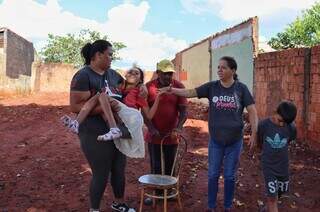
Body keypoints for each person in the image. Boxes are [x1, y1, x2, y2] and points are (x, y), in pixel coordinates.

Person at [159, 56, 258, 211]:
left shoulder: (241, 89)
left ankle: (227, 206)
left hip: (234, 141)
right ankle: (211, 207)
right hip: (216, 141)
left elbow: (252, 111)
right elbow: (190, 92)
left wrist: (254, 133)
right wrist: (171, 90)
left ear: (233, 70)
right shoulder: (212, 87)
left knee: (230, 176)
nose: (219, 70)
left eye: (223, 67)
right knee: (212, 175)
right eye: (218, 67)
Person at [69, 39, 135, 212]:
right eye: (110, 54)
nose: (112, 58)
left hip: (117, 129)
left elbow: (126, 89)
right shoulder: (83, 76)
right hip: (94, 132)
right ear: (98, 55)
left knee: (119, 168)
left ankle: (119, 203)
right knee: (101, 172)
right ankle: (94, 209)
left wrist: (139, 89)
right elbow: (75, 106)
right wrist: (102, 109)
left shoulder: (113, 74)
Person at [62, 67, 164, 158]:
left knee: (102, 96)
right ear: (125, 75)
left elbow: (149, 115)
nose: (132, 74)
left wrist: (157, 97)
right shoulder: (119, 89)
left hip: (128, 120)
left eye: (136, 73)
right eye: (130, 72)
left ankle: (112, 128)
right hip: (117, 116)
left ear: (140, 79)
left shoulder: (139, 93)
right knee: (99, 96)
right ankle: (76, 123)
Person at [143, 59, 188, 204]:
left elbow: (184, 112)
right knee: (156, 165)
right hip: (154, 134)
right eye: (165, 74)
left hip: (171, 135)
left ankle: (169, 192)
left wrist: (178, 128)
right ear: (158, 73)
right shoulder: (148, 87)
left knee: (170, 164)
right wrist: (151, 128)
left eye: (170, 74)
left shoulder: (178, 87)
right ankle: (155, 194)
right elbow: (144, 111)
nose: (169, 77)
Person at [257, 101, 297, 212]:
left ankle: (267, 208)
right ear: (275, 112)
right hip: (268, 166)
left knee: (281, 192)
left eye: (285, 123)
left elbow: (289, 140)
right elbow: (260, 143)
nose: (281, 125)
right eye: (280, 121)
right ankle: (271, 204)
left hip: (283, 166)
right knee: (273, 198)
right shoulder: (263, 125)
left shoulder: (291, 127)